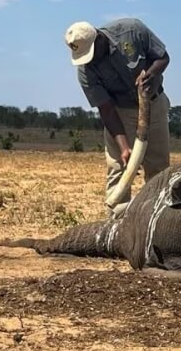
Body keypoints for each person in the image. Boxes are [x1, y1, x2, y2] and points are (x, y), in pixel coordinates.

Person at [64, 18, 171, 215]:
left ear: (99, 38)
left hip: (153, 104)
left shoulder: (131, 30)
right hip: (120, 113)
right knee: (118, 169)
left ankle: (158, 218)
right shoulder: (86, 72)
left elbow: (163, 57)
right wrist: (124, 147)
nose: (90, 60)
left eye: (91, 53)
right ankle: (115, 224)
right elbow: (106, 109)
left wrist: (152, 73)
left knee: (159, 168)